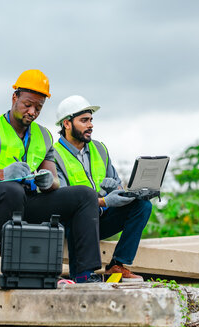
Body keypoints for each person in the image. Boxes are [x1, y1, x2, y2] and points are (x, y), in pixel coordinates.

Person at [0, 71, 103, 283]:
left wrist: (48, 182)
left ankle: (84, 274)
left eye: (39, 107)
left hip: (23, 203)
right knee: (11, 190)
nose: (32, 111)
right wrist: (2, 175)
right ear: (14, 98)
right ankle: (14, 270)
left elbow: (54, 181)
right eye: (27, 104)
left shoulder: (43, 136)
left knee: (85, 195)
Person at [53, 95, 152, 282]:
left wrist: (120, 192)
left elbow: (116, 182)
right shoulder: (54, 155)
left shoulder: (99, 149)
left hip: (100, 219)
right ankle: (83, 275)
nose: (90, 125)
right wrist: (103, 200)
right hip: (73, 225)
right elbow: (63, 202)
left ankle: (117, 264)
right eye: (84, 120)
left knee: (142, 205)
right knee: (81, 216)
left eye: (91, 120)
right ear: (67, 124)